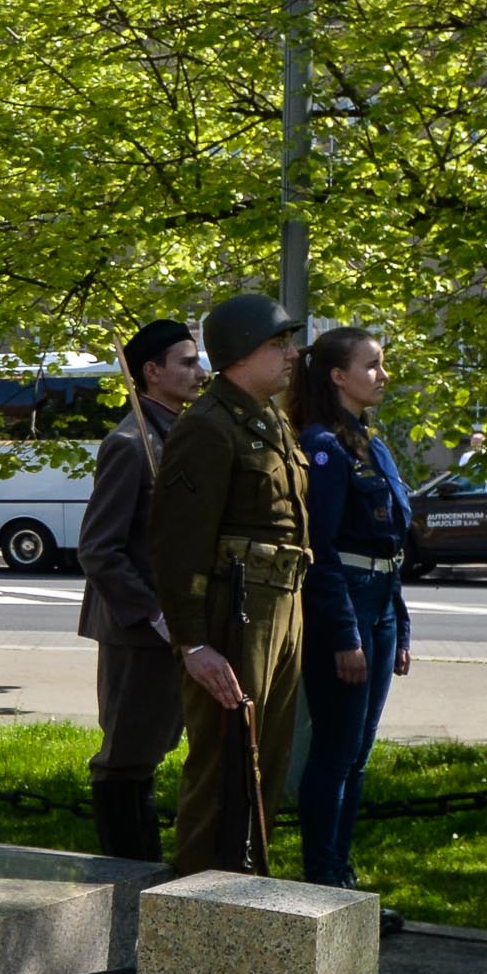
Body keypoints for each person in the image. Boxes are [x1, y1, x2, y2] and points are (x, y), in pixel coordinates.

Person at [146, 292, 311, 877]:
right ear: (242, 351)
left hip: (279, 606)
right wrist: (192, 643)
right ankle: (198, 909)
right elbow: (174, 543)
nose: (291, 354)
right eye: (278, 343)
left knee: (264, 757)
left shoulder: (270, 421)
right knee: (223, 766)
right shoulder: (210, 428)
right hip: (234, 613)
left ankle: (247, 893)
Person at [75, 319, 205, 861]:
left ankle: (145, 872)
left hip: (175, 624)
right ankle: (128, 875)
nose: (199, 372)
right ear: (150, 372)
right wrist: (153, 615)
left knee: (153, 750)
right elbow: (99, 548)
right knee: (126, 757)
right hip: (138, 631)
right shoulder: (130, 443)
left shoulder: (177, 435)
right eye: (186, 362)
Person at [294, 327, 413, 889]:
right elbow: (319, 549)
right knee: (336, 753)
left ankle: (341, 873)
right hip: (348, 609)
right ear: (338, 376)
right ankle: (322, 879)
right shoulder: (324, 446)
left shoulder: (370, 442)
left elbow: (390, 542)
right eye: (372, 366)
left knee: (358, 755)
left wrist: (402, 624)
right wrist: (345, 634)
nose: (382, 376)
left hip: (381, 605)